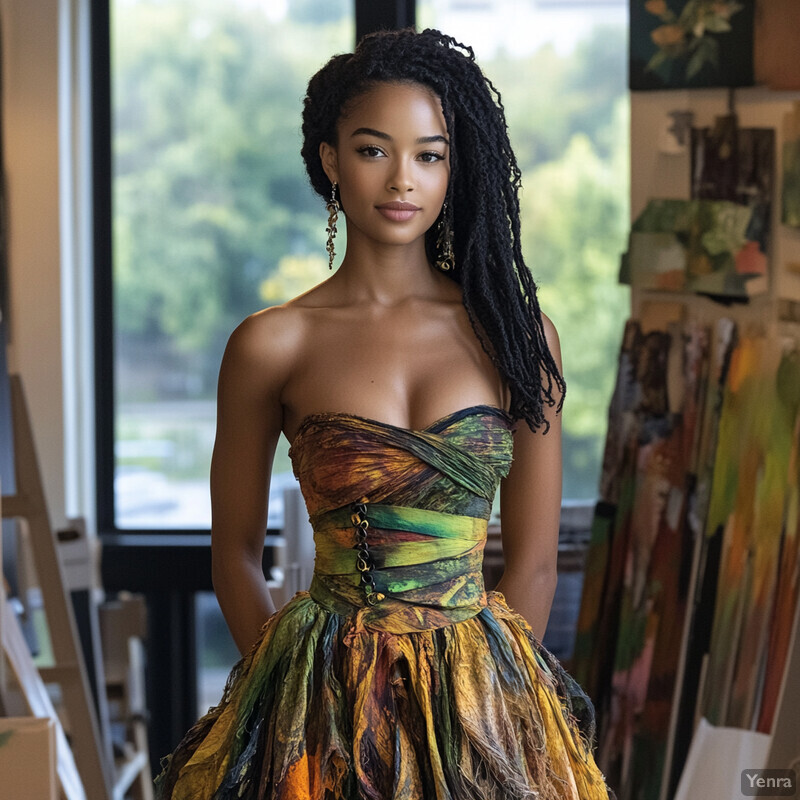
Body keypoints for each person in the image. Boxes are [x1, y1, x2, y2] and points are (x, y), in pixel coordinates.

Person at [155, 27, 609, 800]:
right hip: (318, 702)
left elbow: (532, 562)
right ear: (331, 161)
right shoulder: (272, 343)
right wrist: (290, 698)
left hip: (485, 705)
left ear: (453, 168)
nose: (404, 180)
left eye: (430, 155)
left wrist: (490, 706)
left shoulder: (520, 336)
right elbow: (233, 554)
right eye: (375, 150)